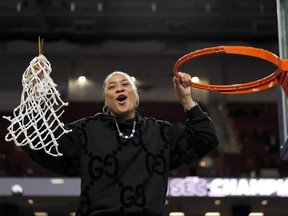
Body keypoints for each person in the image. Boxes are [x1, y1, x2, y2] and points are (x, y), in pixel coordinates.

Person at [21, 71, 219, 216]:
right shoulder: (87, 130)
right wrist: (34, 95)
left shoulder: (160, 133)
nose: (119, 88)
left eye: (125, 84)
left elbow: (206, 138)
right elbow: (38, 143)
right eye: (112, 86)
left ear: (136, 96)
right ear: (106, 101)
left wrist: (186, 99)